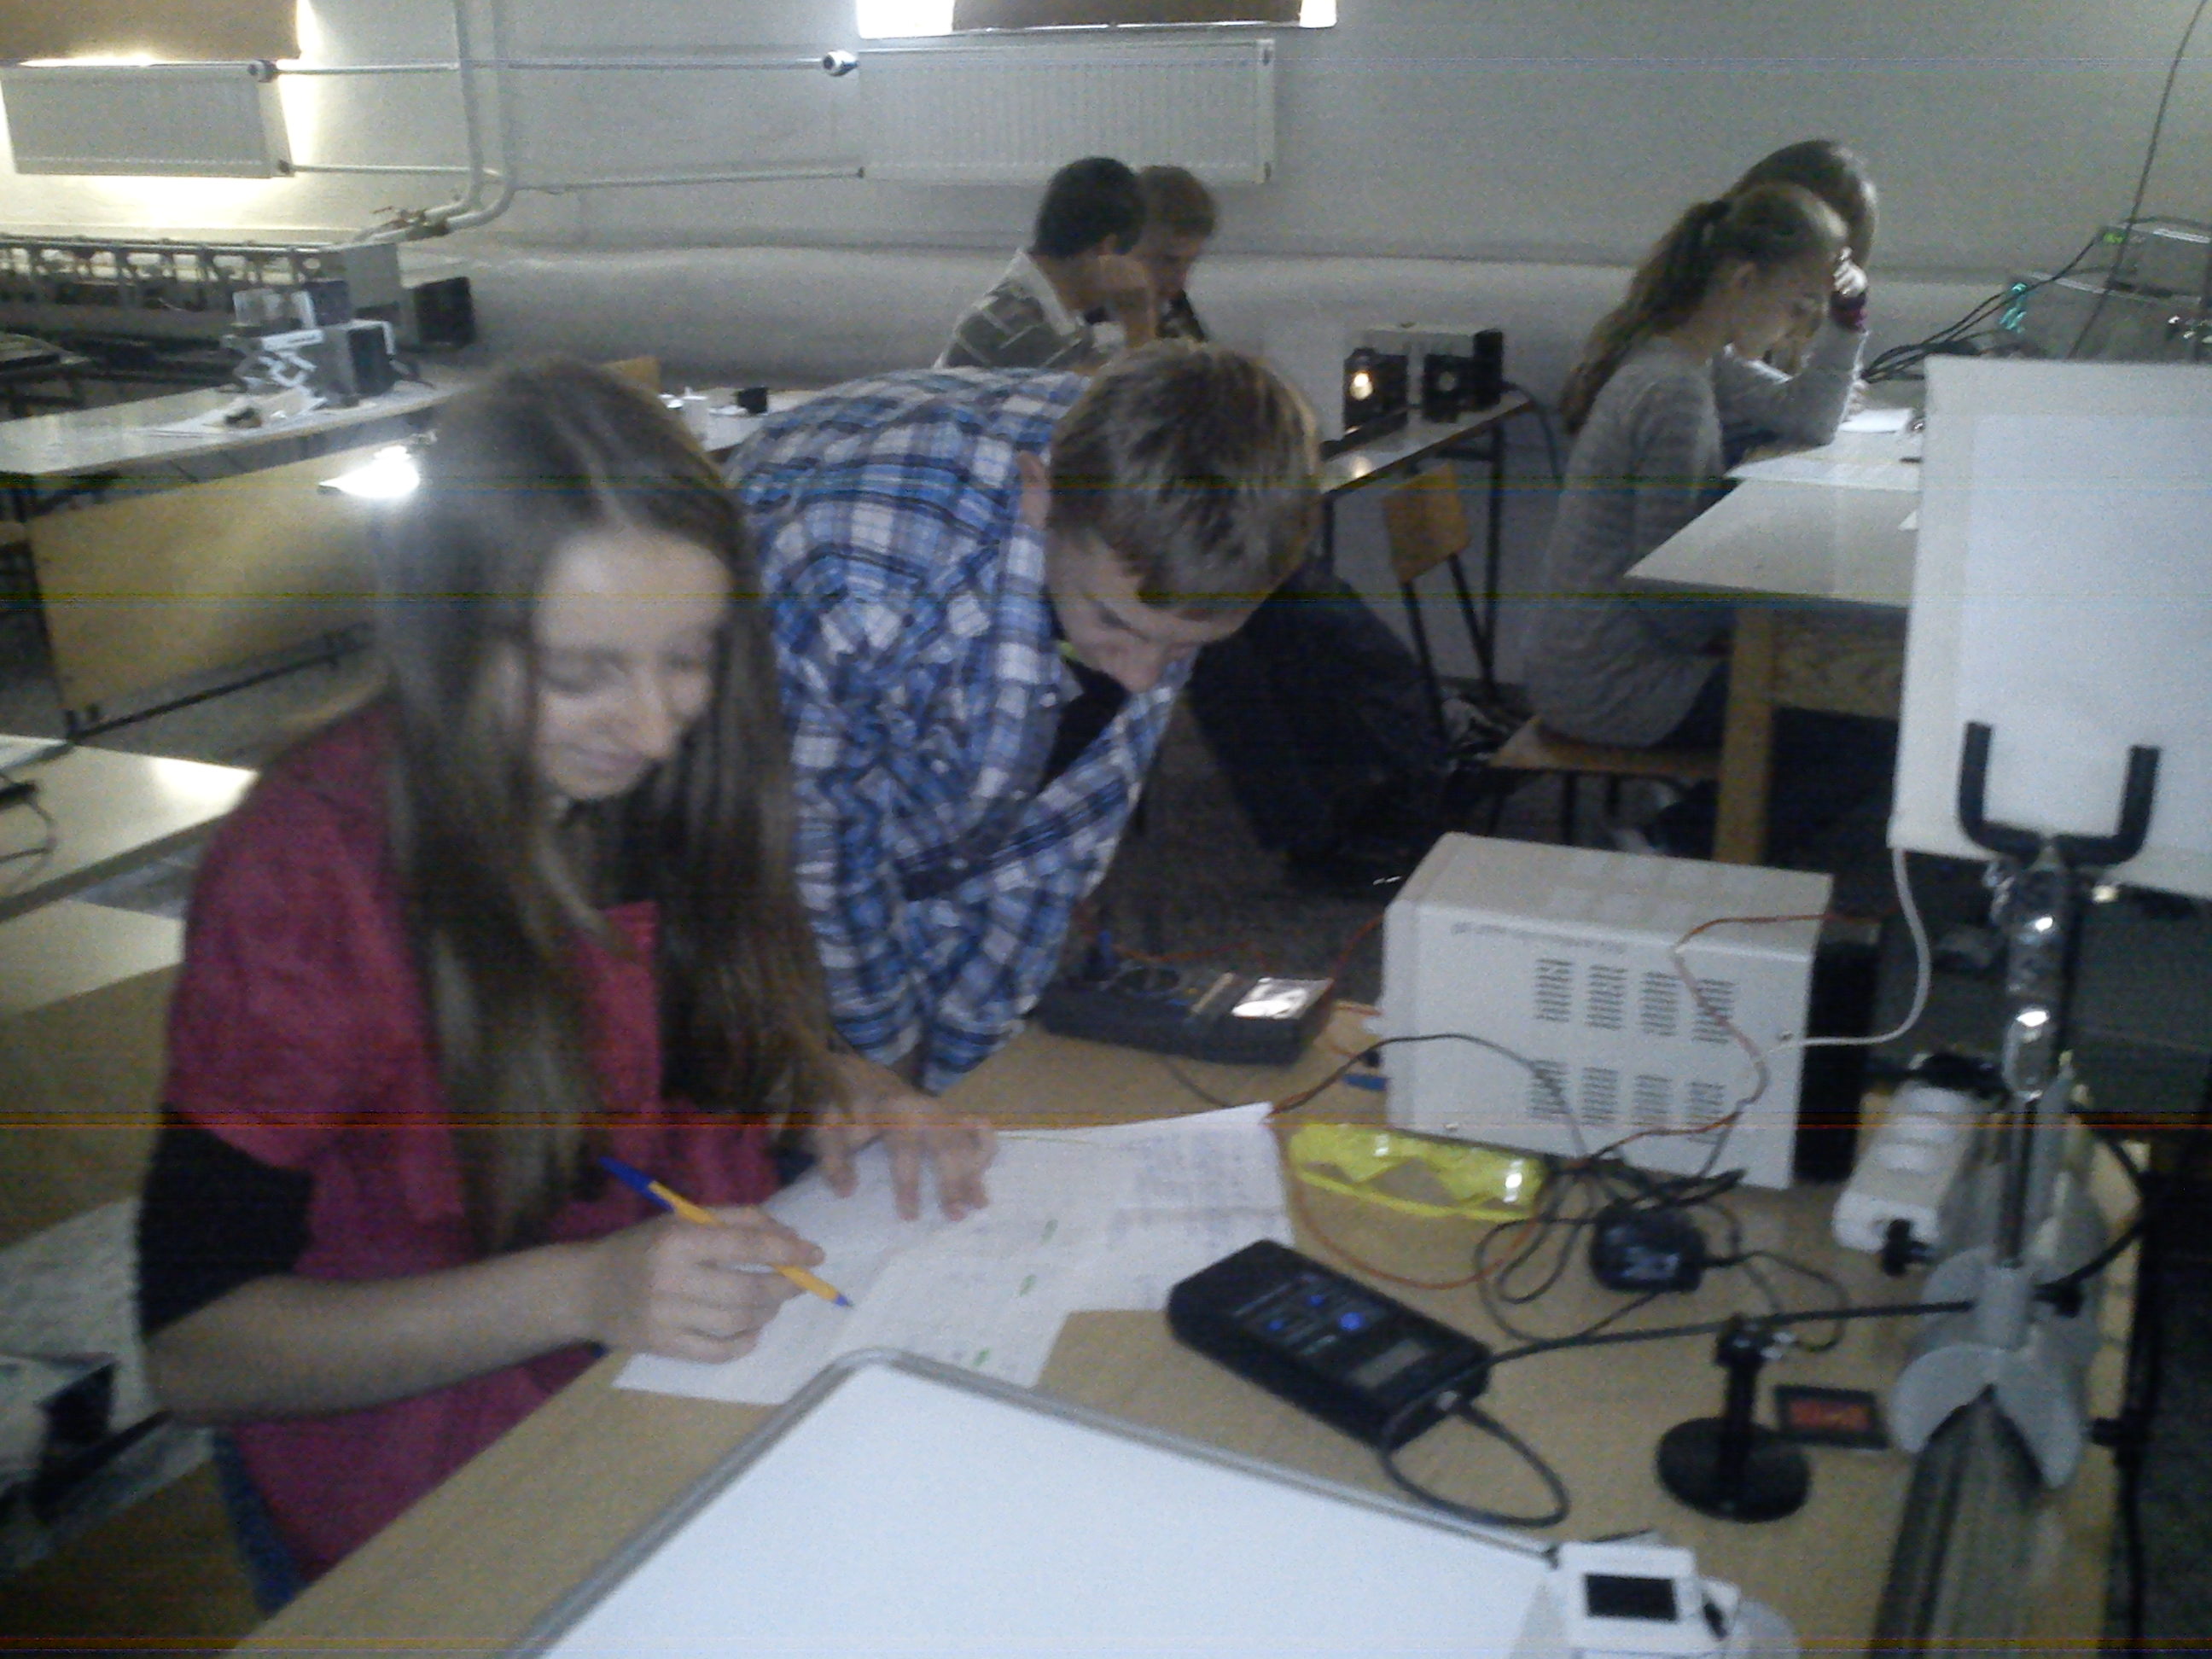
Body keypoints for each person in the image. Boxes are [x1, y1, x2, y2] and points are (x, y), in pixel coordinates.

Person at [135, 360, 993, 1594]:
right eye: (581, 673)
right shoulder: (311, 869)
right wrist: (584, 1289)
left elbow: (671, 1056)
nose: (652, 729)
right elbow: (197, 1353)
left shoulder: (665, 778)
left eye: (689, 659)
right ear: (446, 639)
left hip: (664, 1391)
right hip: (431, 1483)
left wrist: (826, 1081)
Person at [731, 341, 1318, 1093]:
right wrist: (890, 1062)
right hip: (711, 767)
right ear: (1040, 498)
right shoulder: (859, 580)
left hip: (916, 670)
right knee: (773, 1091)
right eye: (1116, 624)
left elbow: (1043, 853)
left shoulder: (1156, 526)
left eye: (1184, 649)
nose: (1143, 678)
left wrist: (963, 1074)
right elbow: (819, 854)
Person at [1123, 165, 1466, 894]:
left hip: (1208, 531)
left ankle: (1387, 792)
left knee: (1331, 630)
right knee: (1234, 661)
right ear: (1117, 245)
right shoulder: (1103, 327)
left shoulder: (1168, 311)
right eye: (1166, 262)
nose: (1179, 282)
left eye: (1188, 265)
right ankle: (1311, 839)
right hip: (1147, 556)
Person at [1528, 183, 1877, 857]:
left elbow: (1810, 417)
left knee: (1833, 692)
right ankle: (1671, 844)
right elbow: (1668, 600)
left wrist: (1848, 317)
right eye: (1799, 303)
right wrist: (1774, 627)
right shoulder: (1674, 393)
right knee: (1860, 729)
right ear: (1743, 281)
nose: (1797, 325)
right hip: (1611, 682)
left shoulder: (1690, 361)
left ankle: (1698, 822)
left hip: (1601, 661)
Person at [938, 155, 1157, 373]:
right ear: (1106, 249)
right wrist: (1138, 323)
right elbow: (1132, 392)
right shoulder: (1019, 328)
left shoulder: (1043, 312)